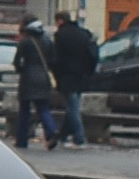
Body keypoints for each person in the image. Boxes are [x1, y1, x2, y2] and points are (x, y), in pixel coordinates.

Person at [51, 10, 97, 147]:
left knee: (73, 108)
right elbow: (93, 56)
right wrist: (88, 72)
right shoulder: (84, 34)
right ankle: (63, 136)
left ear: (60, 21)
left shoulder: (61, 35)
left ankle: (80, 138)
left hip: (67, 76)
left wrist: (57, 75)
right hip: (82, 76)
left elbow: (57, 59)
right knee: (72, 105)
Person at [13, 16, 60, 150]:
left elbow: (17, 62)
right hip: (44, 78)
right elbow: (53, 61)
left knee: (24, 111)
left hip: (28, 79)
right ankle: (51, 131)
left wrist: (21, 70)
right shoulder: (47, 40)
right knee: (43, 108)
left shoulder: (25, 42)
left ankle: (22, 140)